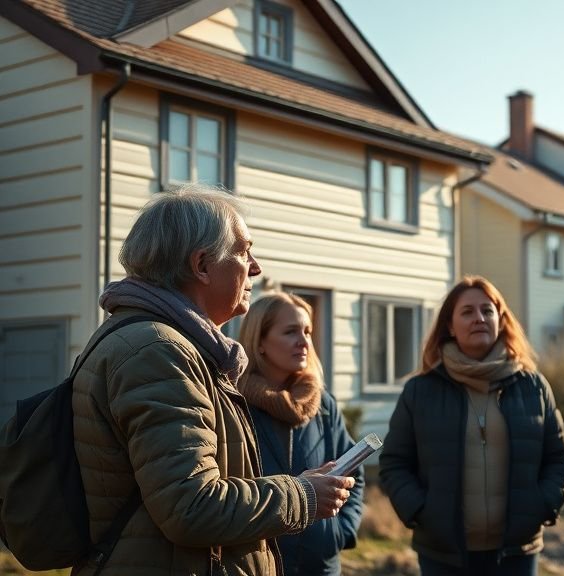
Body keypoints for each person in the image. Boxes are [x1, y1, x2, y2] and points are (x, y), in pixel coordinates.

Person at [71, 187, 355, 574]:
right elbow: (191, 506)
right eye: (243, 251)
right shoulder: (158, 352)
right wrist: (303, 495)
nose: (255, 267)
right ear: (202, 265)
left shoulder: (160, 344)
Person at [379, 275, 564, 576]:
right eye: (467, 311)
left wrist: (542, 505)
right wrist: (421, 512)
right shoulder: (421, 390)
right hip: (443, 552)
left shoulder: (533, 386)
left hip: (516, 551)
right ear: (450, 326)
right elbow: (394, 463)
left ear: (500, 319)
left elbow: (559, 458)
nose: (479, 318)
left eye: (487, 310)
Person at [237, 292, 365, 575]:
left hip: (320, 566)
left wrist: (339, 532)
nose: (304, 341)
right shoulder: (235, 403)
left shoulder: (322, 403)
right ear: (260, 342)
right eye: (290, 331)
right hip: (257, 564)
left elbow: (354, 472)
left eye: (307, 331)